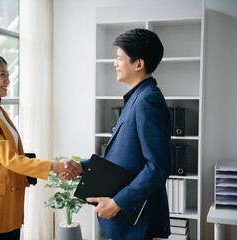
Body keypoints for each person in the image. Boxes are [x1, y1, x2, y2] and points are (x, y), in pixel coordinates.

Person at [63, 28, 172, 239]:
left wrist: (118, 203)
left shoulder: (147, 100)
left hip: (136, 223)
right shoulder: (137, 97)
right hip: (125, 224)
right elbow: (124, 157)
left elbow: (158, 167)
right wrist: (82, 167)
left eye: (119, 58)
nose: (115, 63)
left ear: (138, 64)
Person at [0, 54, 82, 240]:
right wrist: (55, 166)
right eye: (2, 75)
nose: (7, 80)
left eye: (8, 74)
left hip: (8, 205)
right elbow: (10, 159)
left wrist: (23, 175)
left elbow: (9, 157)